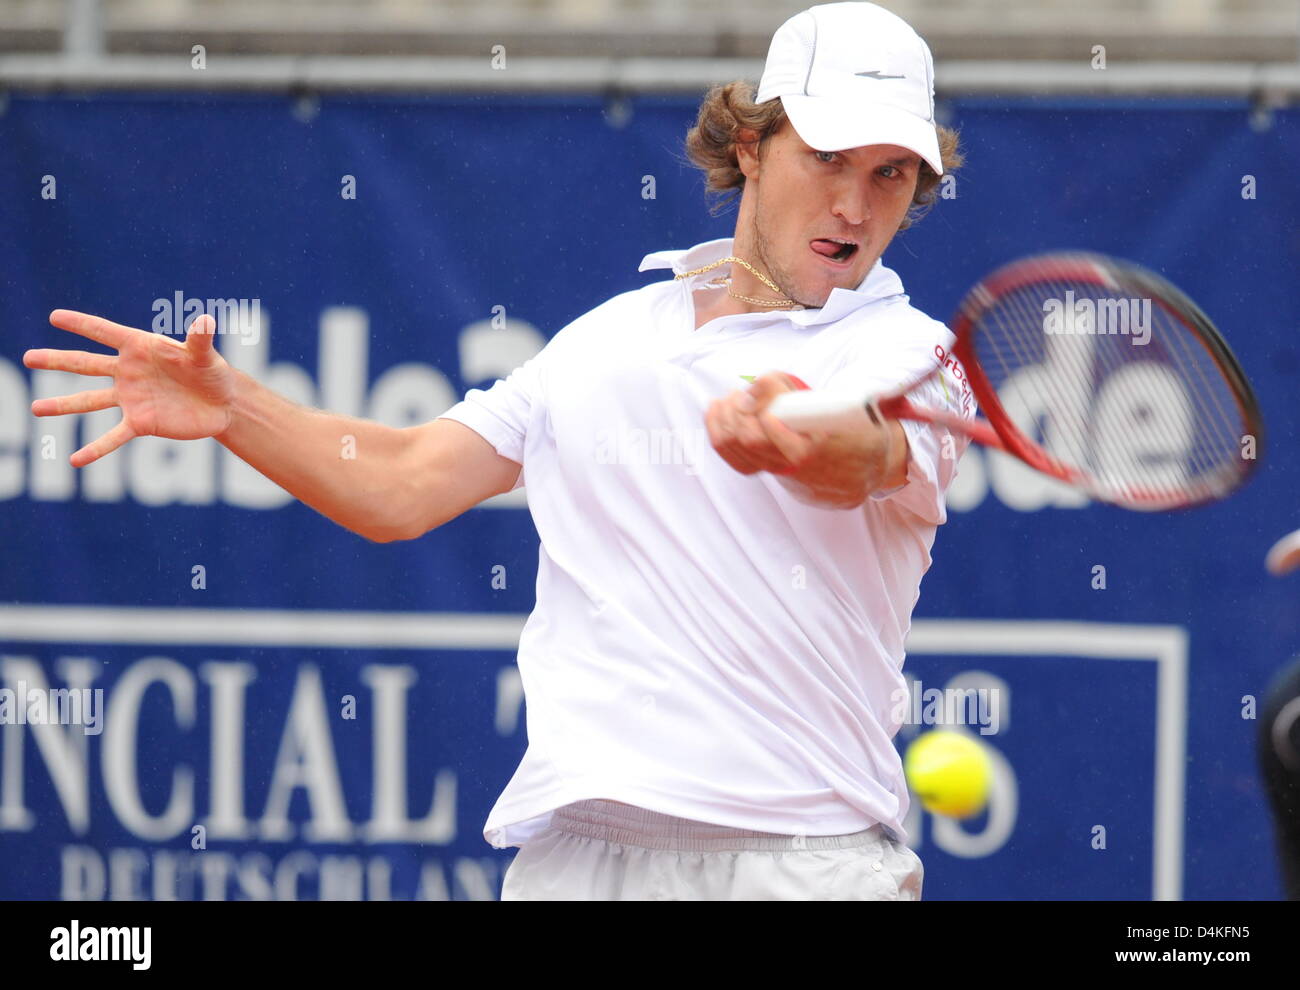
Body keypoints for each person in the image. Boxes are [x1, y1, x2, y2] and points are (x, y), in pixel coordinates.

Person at [24, 1, 970, 900]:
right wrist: (235, 407)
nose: (854, 205)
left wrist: (791, 440)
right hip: (578, 861)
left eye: (891, 174)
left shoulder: (908, 353)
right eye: (829, 157)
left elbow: (867, 452)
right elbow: (398, 487)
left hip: (801, 864)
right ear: (751, 146)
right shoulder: (605, 338)